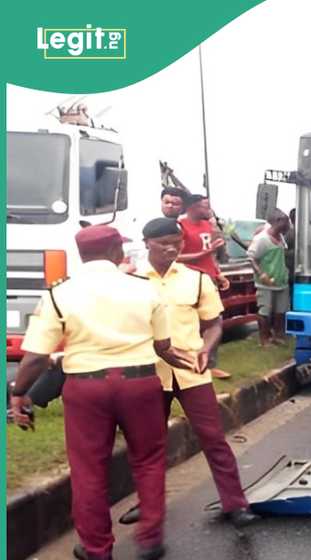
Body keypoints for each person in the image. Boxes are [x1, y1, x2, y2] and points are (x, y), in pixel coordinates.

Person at [9, 225, 195, 560]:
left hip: (85, 387)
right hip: (140, 384)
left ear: (82, 255)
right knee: (149, 459)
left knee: (89, 468)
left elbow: (37, 356)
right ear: (114, 252)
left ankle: (97, 548)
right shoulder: (146, 289)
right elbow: (163, 344)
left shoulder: (59, 293)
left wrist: (19, 392)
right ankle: (150, 539)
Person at [117, 218, 259, 528]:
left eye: (177, 242)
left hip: (193, 373)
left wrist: (207, 349)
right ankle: (147, 503)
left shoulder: (198, 279)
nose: (171, 247)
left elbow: (213, 324)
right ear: (146, 243)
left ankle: (235, 503)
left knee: (213, 438)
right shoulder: (131, 281)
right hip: (148, 374)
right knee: (148, 444)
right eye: (163, 242)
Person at [178, 194, 232, 379]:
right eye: (204, 206)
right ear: (192, 207)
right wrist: (204, 252)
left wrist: (218, 274)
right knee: (194, 324)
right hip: (189, 281)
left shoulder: (207, 225)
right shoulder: (181, 226)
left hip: (208, 280)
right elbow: (176, 256)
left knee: (214, 322)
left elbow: (211, 256)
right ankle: (190, 361)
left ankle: (210, 364)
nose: (207, 210)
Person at [248, 209, 292, 347]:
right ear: (277, 222)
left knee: (281, 311)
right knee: (264, 312)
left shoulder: (280, 236)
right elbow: (251, 258)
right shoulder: (261, 239)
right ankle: (264, 339)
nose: (287, 226)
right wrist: (261, 274)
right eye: (285, 223)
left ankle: (278, 335)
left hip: (281, 281)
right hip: (265, 283)